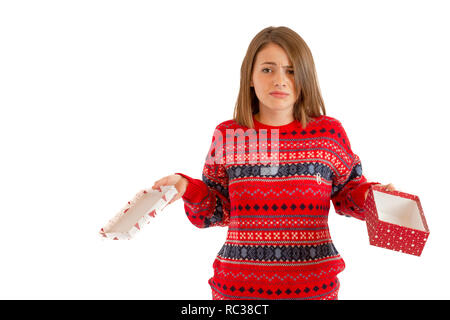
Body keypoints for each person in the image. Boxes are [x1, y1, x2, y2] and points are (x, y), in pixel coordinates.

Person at [152, 26, 395, 300]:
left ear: (305, 78)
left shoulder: (329, 134)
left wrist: (373, 196)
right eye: (268, 70)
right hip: (237, 293)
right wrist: (188, 188)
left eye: (291, 71)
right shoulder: (229, 135)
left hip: (313, 291)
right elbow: (214, 212)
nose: (280, 80)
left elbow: (348, 195)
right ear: (251, 78)